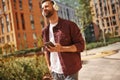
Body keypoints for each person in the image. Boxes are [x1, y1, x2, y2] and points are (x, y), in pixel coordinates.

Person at [41, 0, 85, 80]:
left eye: (46, 6)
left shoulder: (70, 25)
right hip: (54, 72)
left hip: (70, 71)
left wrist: (62, 48)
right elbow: (45, 51)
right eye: (42, 8)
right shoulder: (44, 31)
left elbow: (81, 45)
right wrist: (49, 66)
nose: (44, 9)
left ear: (55, 7)